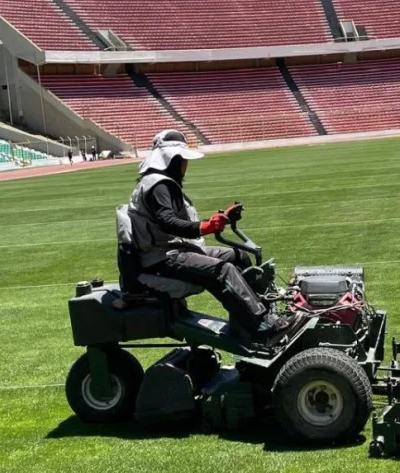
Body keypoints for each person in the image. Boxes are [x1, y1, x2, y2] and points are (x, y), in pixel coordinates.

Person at [124, 129, 301, 343]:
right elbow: (167, 221)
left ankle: (250, 319)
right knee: (222, 271)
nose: (185, 166)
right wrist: (205, 226)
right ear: (172, 160)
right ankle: (264, 326)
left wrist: (215, 221)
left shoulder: (157, 182)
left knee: (238, 257)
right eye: (182, 160)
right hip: (163, 256)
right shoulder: (159, 185)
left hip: (176, 248)